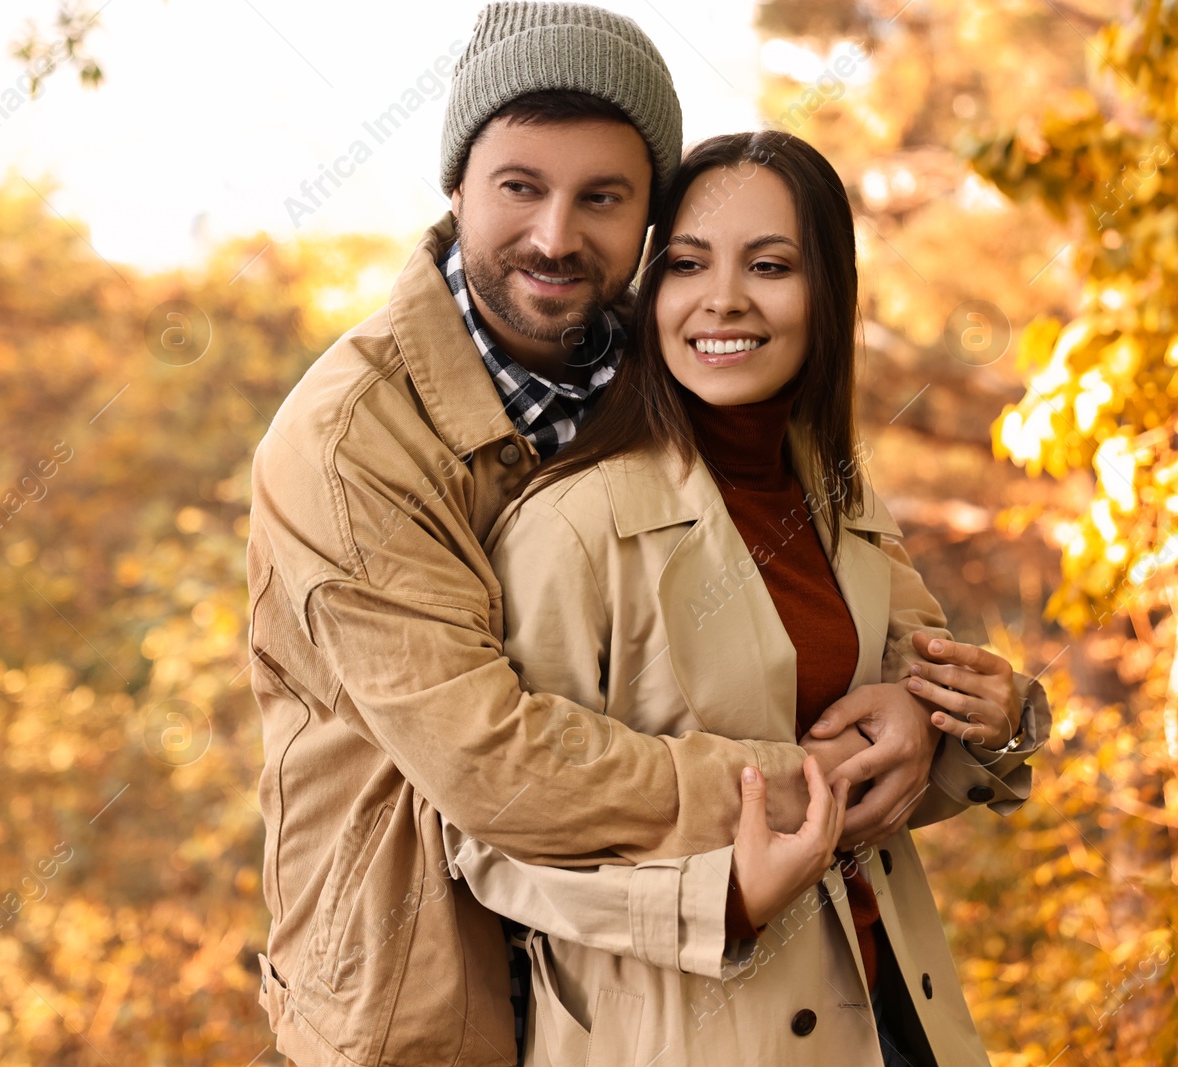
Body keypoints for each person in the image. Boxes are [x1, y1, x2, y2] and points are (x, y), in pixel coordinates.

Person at [245, 5, 1040, 1065]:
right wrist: (804, 786)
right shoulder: (350, 441)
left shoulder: (678, 364)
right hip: (424, 983)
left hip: (731, 988)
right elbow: (489, 763)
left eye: (604, 198)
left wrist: (936, 712)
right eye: (520, 186)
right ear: (456, 186)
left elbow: (891, 632)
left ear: (646, 222)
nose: (557, 235)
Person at [441, 130, 1049, 1067]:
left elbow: (925, 710)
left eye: (769, 265)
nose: (722, 298)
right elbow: (491, 840)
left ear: (827, 295)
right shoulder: (573, 524)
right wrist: (715, 898)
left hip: (894, 1017)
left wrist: (969, 715)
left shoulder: (836, 489)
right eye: (687, 264)